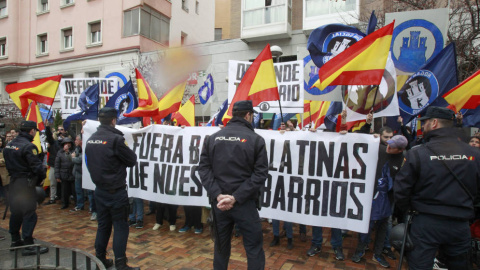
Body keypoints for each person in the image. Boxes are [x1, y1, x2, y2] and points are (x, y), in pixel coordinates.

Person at [394, 106, 480, 269]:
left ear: (434, 123)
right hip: (460, 223)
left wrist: (412, 210)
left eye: (424, 122)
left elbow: (401, 191)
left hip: (426, 223)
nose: (422, 126)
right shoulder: (474, 155)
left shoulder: (418, 153)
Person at [199, 100, 268, 270]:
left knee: (221, 248)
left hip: (220, 204)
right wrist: (236, 197)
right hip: (244, 203)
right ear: (248, 115)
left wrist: (218, 195)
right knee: (253, 249)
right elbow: (260, 174)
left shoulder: (212, 138)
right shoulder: (256, 140)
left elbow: (203, 169)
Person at [85, 107, 139, 270]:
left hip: (99, 190)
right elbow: (131, 160)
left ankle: (100, 259)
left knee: (103, 226)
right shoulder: (115, 140)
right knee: (121, 226)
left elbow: (91, 163)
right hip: (116, 191)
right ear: (114, 120)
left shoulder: (91, 139)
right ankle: (121, 264)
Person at [3, 121, 49, 256]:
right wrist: (39, 179)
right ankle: (28, 244)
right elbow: (38, 168)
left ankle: (15, 240)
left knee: (16, 212)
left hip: (14, 182)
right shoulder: (29, 147)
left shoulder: (9, 145)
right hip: (25, 183)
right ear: (31, 131)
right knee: (29, 213)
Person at [55, 138, 75, 210]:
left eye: (69, 143)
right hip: (64, 174)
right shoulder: (60, 153)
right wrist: (57, 176)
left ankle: (76, 203)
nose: (67, 144)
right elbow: (57, 165)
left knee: (74, 190)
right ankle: (64, 203)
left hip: (72, 173)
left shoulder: (74, 151)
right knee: (64, 191)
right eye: (66, 143)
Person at [72, 134, 85, 212]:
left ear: (81, 141)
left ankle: (92, 208)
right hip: (77, 173)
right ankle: (80, 205)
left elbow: (80, 159)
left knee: (89, 192)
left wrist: (73, 157)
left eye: (77, 139)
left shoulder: (84, 148)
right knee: (78, 190)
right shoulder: (77, 149)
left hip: (84, 173)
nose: (75, 141)